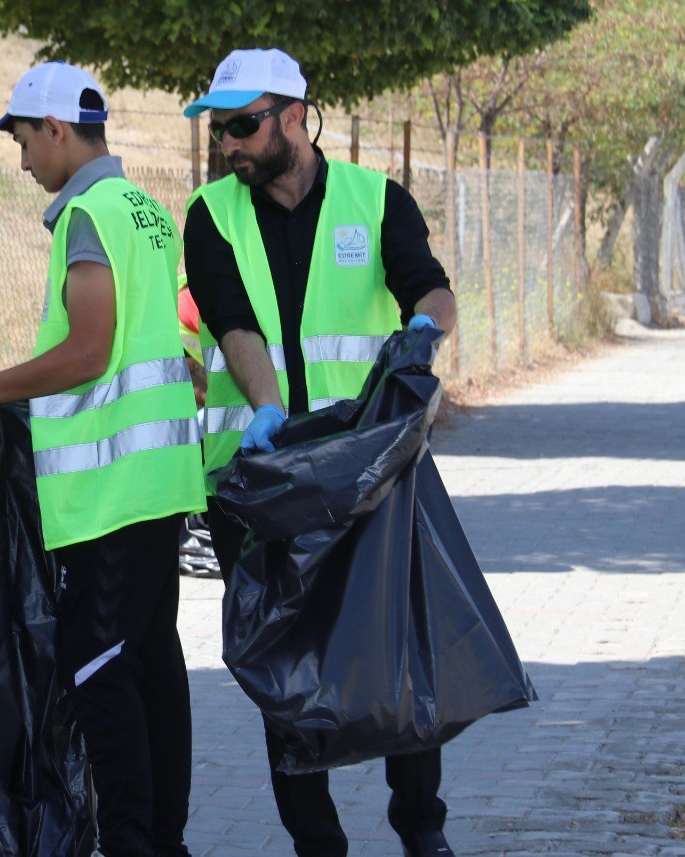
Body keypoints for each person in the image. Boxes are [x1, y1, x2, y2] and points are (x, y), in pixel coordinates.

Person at [181, 48, 459, 857]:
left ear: (296, 116)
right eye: (218, 129)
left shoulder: (377, 201)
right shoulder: (212, 214)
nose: (228, 144)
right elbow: (232, 322)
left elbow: (429, 286)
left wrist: (427, 333)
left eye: (242, 124)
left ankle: (423, 830)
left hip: (368, 471)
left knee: (393, 648)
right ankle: (317, 844)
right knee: (283, 669)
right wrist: (268, 409)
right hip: (261, 476)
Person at [0, 62, 204, 857]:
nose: (19, 160)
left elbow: (88, 352)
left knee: (97, 671)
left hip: (110, 495)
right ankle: (164, 842)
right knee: (152, 667)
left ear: (54, 129)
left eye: (21, 139)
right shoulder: (145, 209)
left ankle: (132, 843)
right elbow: (161, 348)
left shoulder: (88, 212)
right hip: (156, 479)